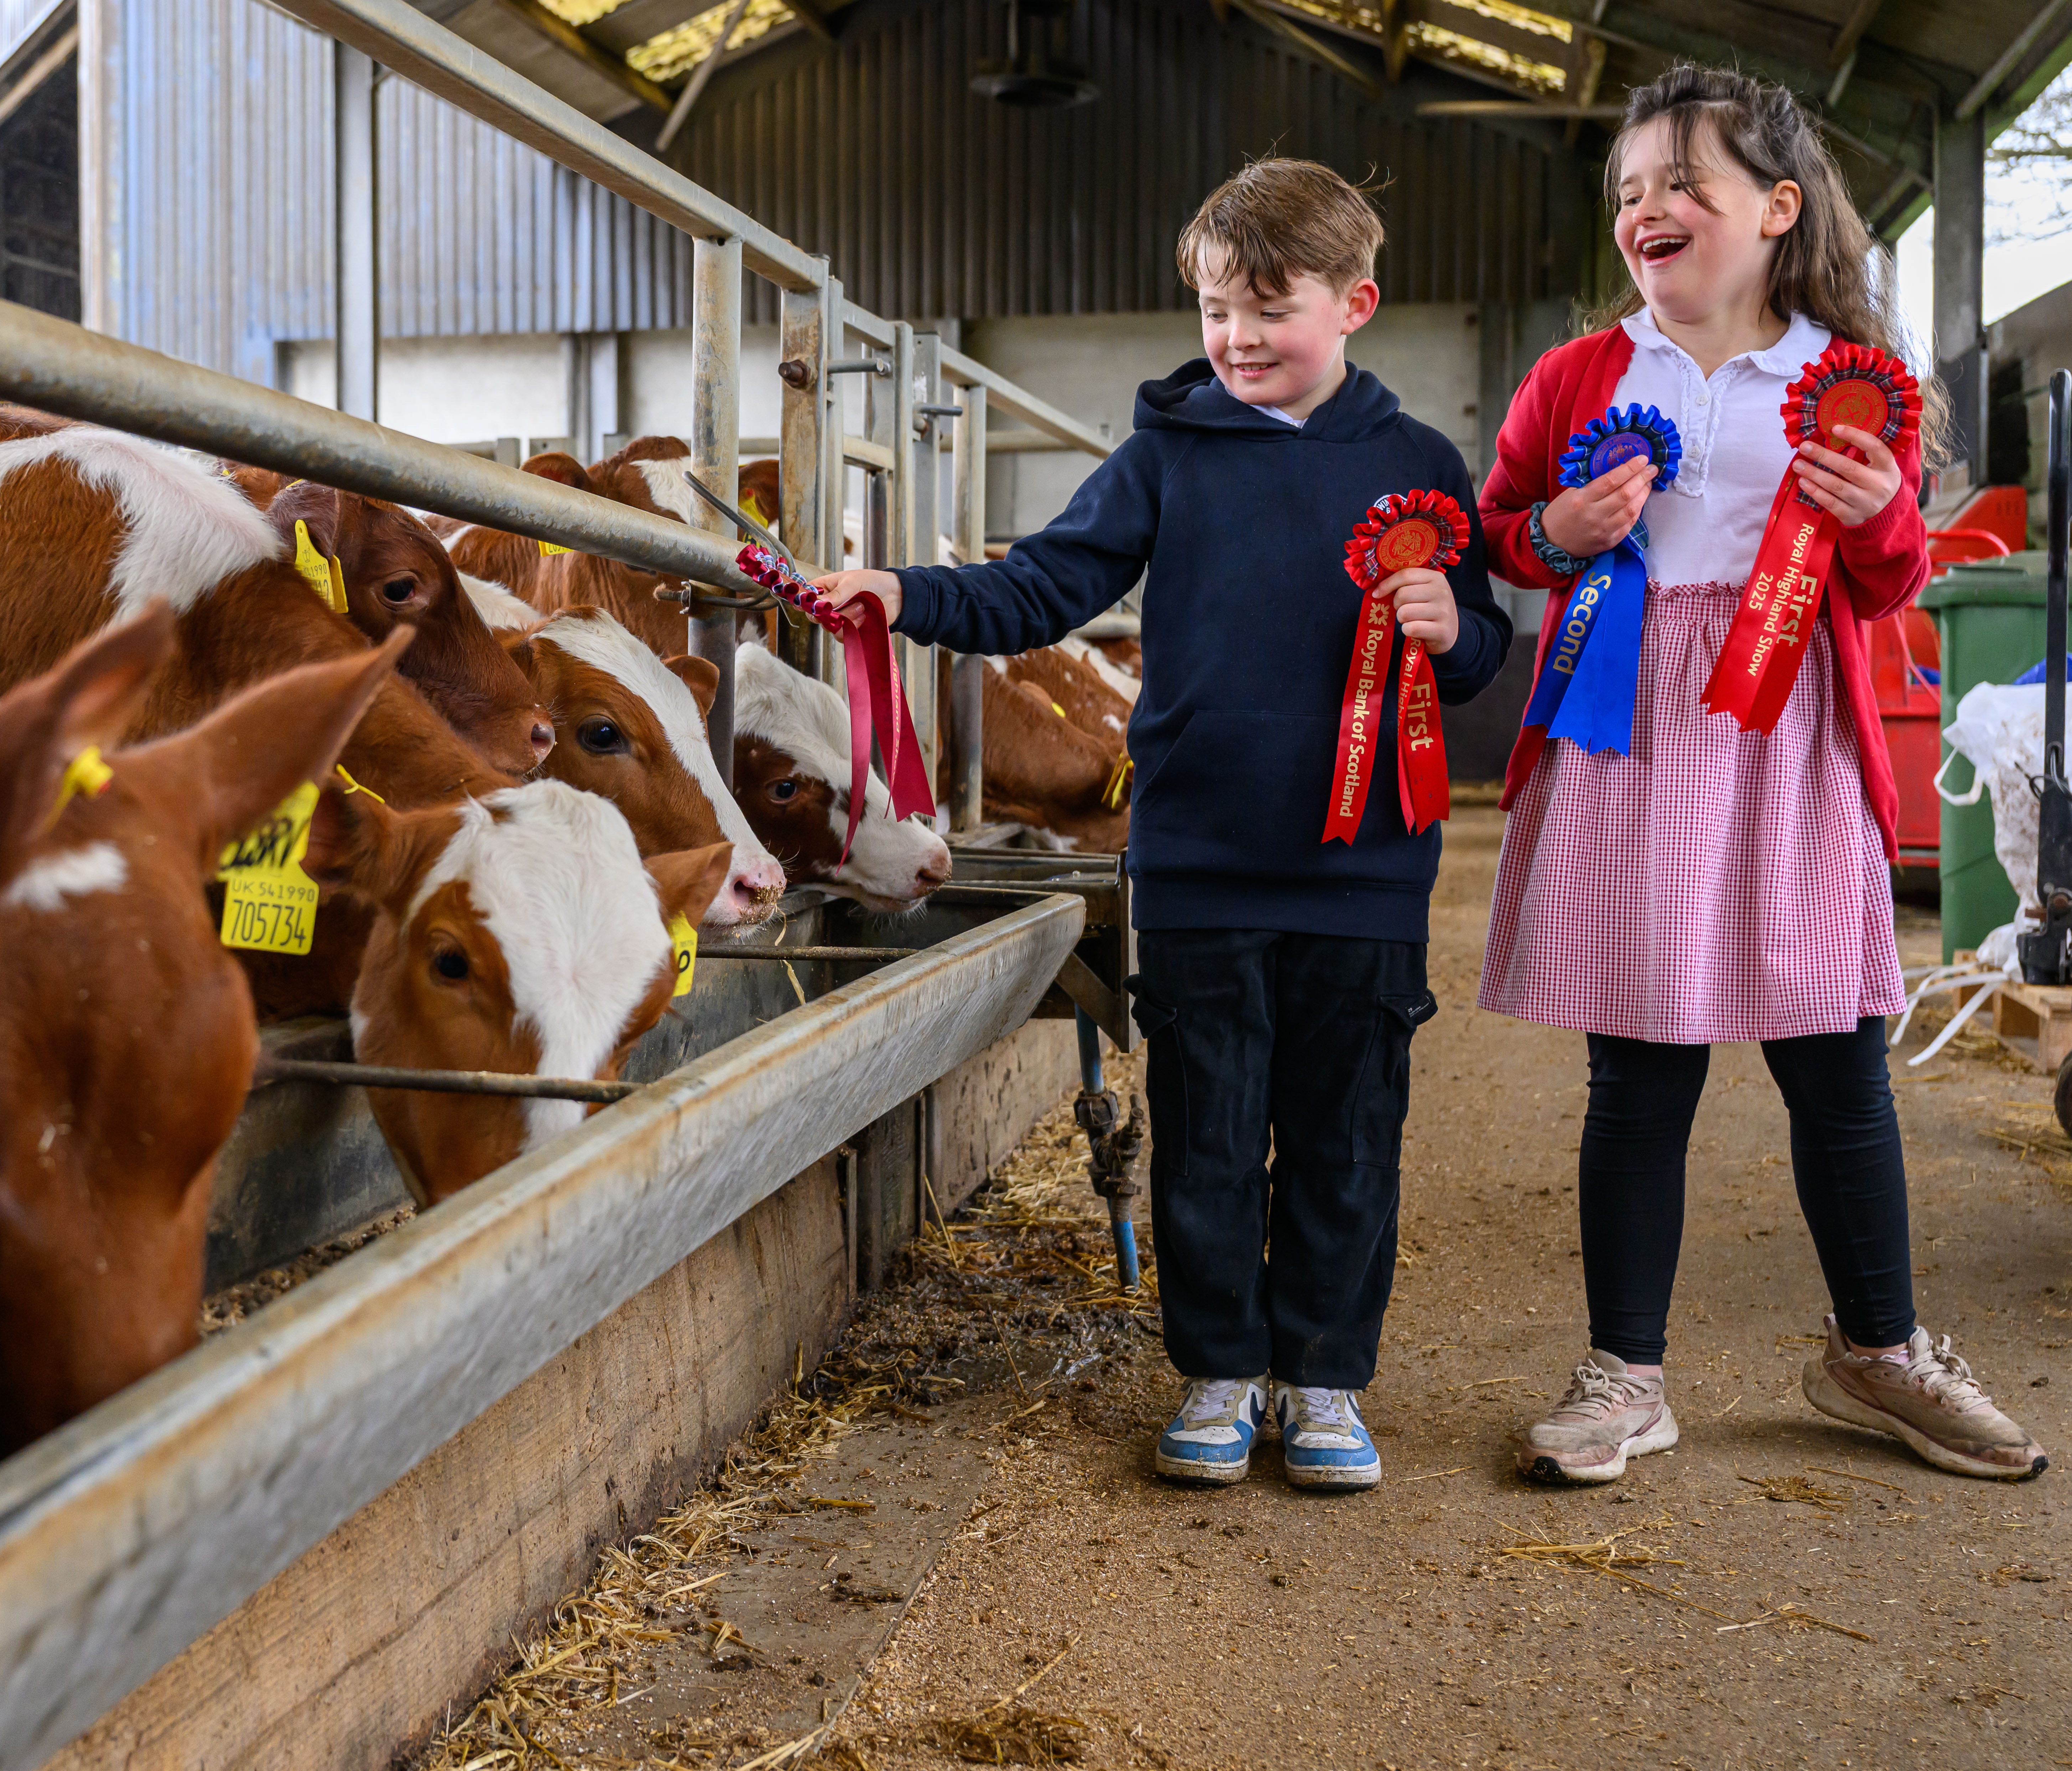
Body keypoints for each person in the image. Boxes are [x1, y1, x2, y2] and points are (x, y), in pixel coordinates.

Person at [817, 159, 1511, 1490]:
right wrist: (904, 594)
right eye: (1214, 310)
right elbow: (1043, 586)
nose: (1238, 339)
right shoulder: (1165, 456)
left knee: (1345, 1134)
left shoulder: (1421, 467)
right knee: (1203, 1127)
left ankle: (1320, 1382)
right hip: (1196, 864)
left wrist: (1453, 630)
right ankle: (1215, 1372)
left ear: (1353, 302)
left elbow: (1483, 653)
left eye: (1269, 309)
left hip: (1363, 869)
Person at [1480, 66, 2046, 1484]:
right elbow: (1502, 530)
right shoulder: (1576, 376)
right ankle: (1624, 1373)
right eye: (1625, 191)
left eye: (1681, 184)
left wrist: (1880, 526)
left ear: (1775, 210)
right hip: (1631, 741)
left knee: (1834, 1060)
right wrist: (1551, 520)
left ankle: (1878, 1348)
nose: (1645, 210)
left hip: (1786, 732)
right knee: (1638, 1071)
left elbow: (1891, 579)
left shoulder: (1843, 380)